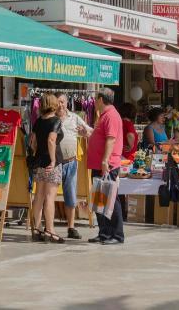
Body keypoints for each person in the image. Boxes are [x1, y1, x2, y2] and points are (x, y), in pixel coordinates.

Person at [81, 88, 124, 245]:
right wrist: (88, 134)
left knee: (111, 200)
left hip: (107, 164)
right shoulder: (104, 116)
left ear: (100, 100)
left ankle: (117, 235)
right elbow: (101, 137)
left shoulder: (111, 116)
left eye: (95, 99)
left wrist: (105, 160)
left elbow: (111, 139)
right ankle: (104, 232)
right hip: (99, 164)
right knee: (100, 200)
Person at [55, 92, 93, 239]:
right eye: (58, 102)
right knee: (49, 195)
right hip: (55, 163)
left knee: (70, 195)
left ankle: (71, 227)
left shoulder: (74, 118)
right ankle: (48, 226)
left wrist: (85, 133)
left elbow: (89, 132)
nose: (60, 105)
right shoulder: (50, 118)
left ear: (67, 103)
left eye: (63, 102)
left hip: (71, 162)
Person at [29, 93, 65, 243]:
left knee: (39, 196)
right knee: (50, 197)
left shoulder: (38, 121)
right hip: (51, 164)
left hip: (39, 162)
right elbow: (52, 140)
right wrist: (53, 159)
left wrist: (39, 154)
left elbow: (33, 142)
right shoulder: (55, 121)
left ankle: (36, 229)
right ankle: (50, 230)